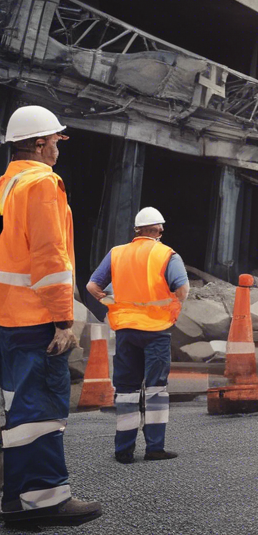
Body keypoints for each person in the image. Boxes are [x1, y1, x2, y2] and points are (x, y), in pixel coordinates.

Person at [0, 106, 102, 527]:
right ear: (40, 143)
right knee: (39, 411)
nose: (59, 145)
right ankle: (43, 499)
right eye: (56, 139)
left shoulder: (6, 184)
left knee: (16, 412)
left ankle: (14, 499)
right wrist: (64, 320)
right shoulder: (43, 183)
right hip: (36, 319)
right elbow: (49, 258)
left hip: (7, 320)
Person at [86, 207, 188, 463]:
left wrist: (107, 301)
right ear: (159, 230)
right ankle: (155, 448)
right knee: (155, 389)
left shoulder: (117, 253)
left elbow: (91, 286)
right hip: (156, 331)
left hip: (126, 331)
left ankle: (124, 451)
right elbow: (182, 288)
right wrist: (174, 309)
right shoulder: (167, 254)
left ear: (137, 230)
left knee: (127, 390)